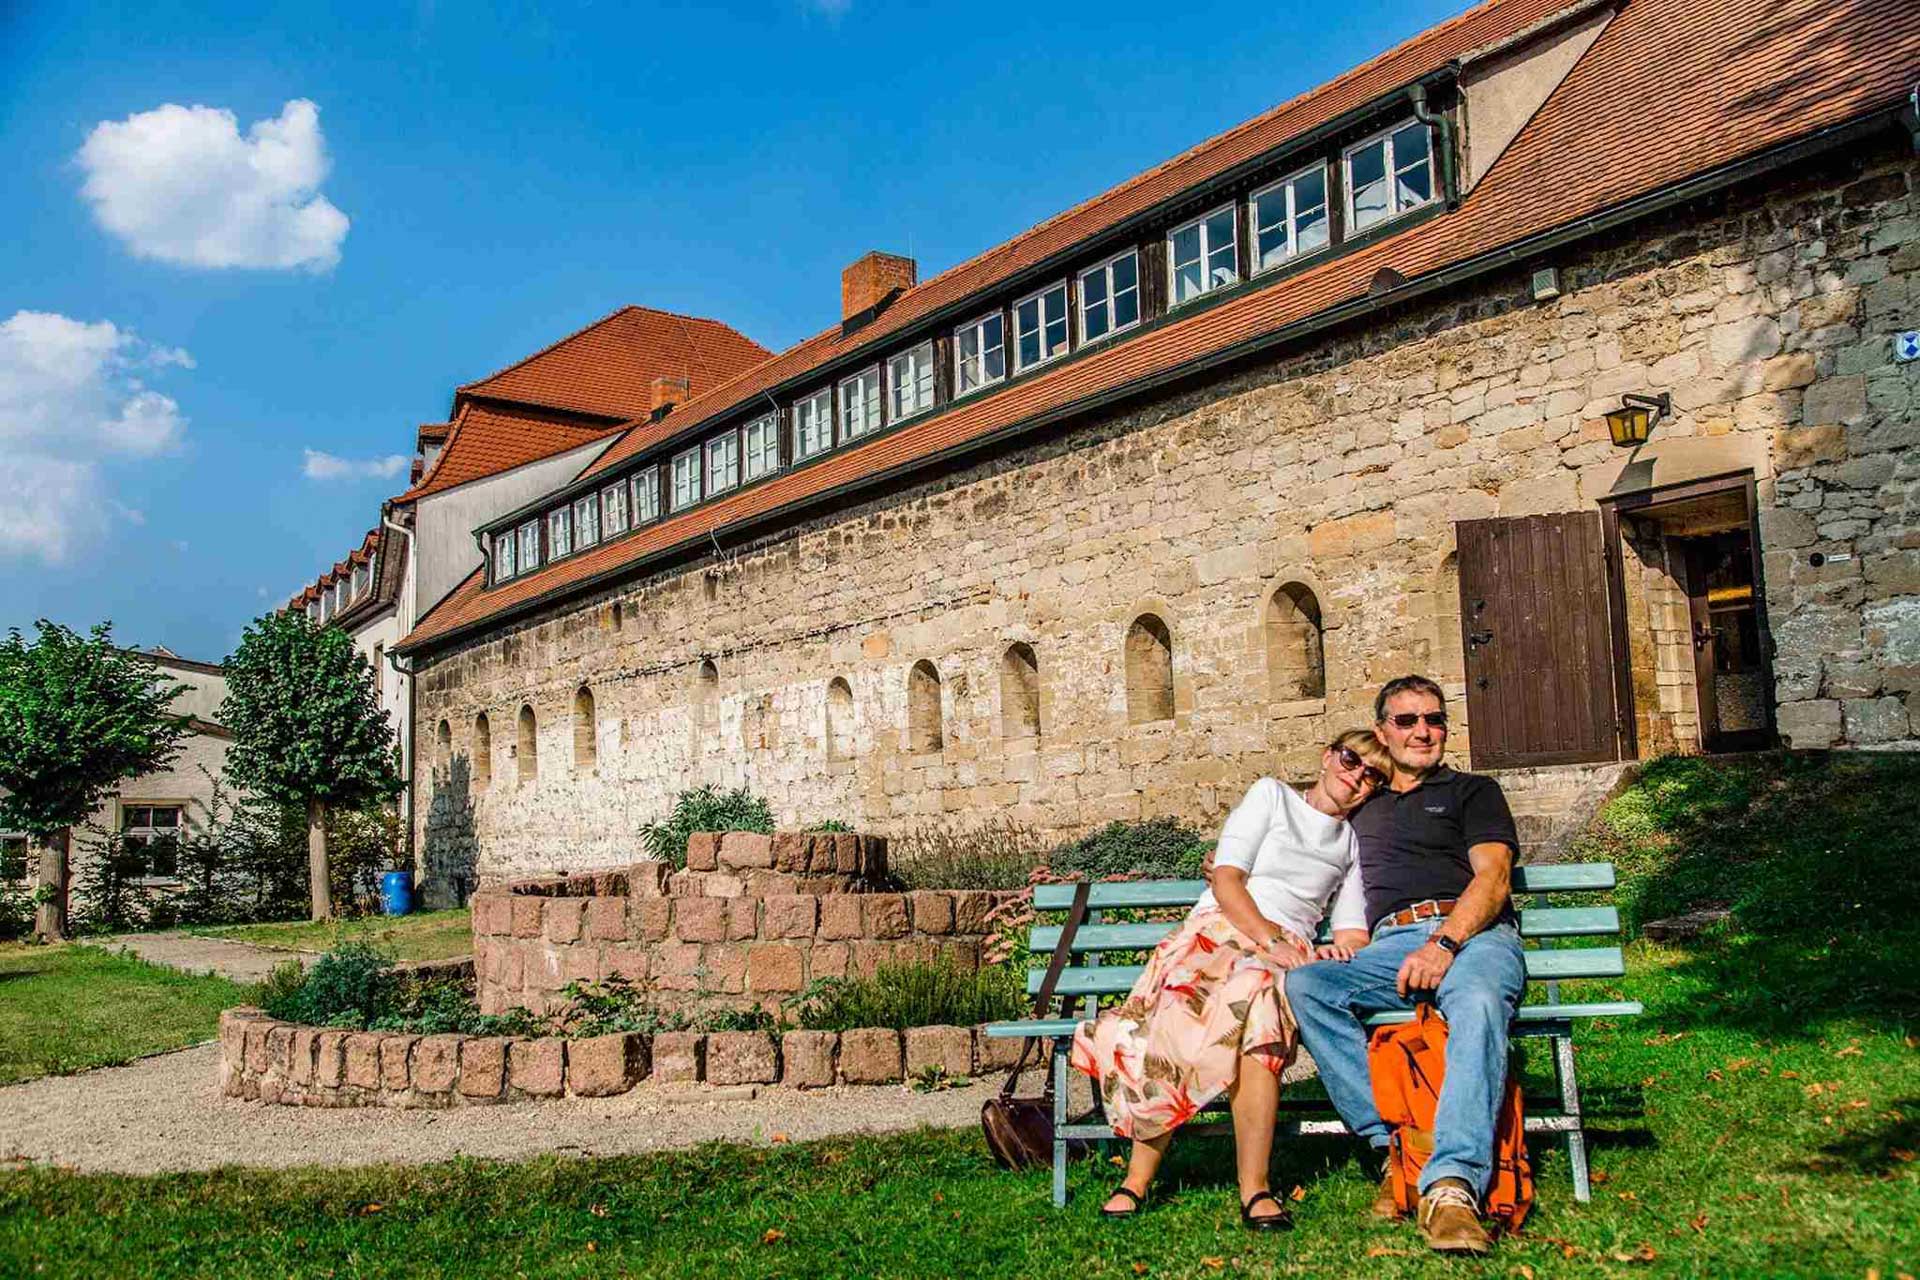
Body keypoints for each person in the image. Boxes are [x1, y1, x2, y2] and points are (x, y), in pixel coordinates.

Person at [1069, 730, 1391, 1229]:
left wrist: (1339, 947)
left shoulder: (1351, 842)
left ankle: (1254, 1189)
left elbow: (1352, 928)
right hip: (1223, 931)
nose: (1357, 777)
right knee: (1182, 1014)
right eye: (1352, 760)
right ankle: (1138, 1179)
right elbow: (1225, 878)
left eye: (1372, 774)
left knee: (1261, 1008)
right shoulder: (1272, 796)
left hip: (1283, 952)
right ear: (1328, 757)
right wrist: (1269, 940)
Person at [1281, 675, 1526, 1256]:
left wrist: (1442, 944)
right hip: (1387, 945)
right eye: (1407, 720)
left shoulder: (1473, 792)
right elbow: (1292, 833)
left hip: (1472, 935)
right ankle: (1394, 1145)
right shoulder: (1364, 800)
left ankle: (1451, 1184)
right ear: (1382, 732)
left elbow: (1492, 879)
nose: (1423, 730)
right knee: (1308, 984)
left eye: (1434, 720)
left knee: (1479, 1001)